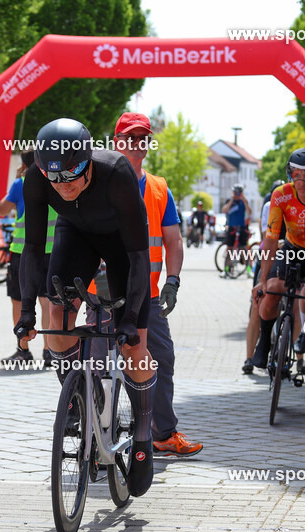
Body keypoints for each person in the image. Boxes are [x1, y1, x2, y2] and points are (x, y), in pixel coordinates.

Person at [15, 118, 156, 497]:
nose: (64, 186)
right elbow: (31, 248)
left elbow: (140, 256)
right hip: (75, 235)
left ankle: (143, 434)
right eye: (55, 179)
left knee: (134, 348)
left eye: (73, 176)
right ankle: (82, 397)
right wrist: (27, 310)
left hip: (122, 245)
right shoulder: (36, 178)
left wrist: (128, 319)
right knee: (56, 329)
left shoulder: (116, 171)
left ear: (88, 161)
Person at [111, 112, 202, 457]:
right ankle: (92, 431)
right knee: (95, 365)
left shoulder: (159, 187)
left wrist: (173, 281)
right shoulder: (98, 180)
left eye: (142, 138)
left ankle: (162, 433)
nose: (137, 144)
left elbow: (173, 241)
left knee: (159, 358)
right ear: (116, 140)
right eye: (129, 137)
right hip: (102, 292)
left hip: (147, 295)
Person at [250, 148, 305, 418]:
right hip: (290, 248)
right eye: (296, 174)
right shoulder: (281, 195)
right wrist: (262, 279)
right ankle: (265, 340)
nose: (300, 180)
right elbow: (270, 238)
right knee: (273, 289)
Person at [0, 150, 54, 366]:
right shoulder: (55, 181)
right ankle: (49, 351)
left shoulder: (21, 183)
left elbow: (1, 209)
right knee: (48, 302)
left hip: (23, 252)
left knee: (20, 300)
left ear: (24, 164)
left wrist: (17, 179)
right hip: (51, 250)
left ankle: (23, 349)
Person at [244, 178, 285, 375]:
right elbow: (266, 235)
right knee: (257, 305)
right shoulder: (270, 206)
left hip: (290, 257)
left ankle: (289, 354)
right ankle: (249, 357)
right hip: (269, 255)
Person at [222, 184, 251, 250]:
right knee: (229, 247)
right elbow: (224, 210)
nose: (237, 195)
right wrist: (232, 199)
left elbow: (249, 212)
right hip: (231, 227)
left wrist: (244, 200)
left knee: (243, 248)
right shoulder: (229, 200)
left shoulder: (243, 202)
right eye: (235, 193)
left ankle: (243, 260)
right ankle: (228, 260)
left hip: (241, 227)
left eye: (239, 193)